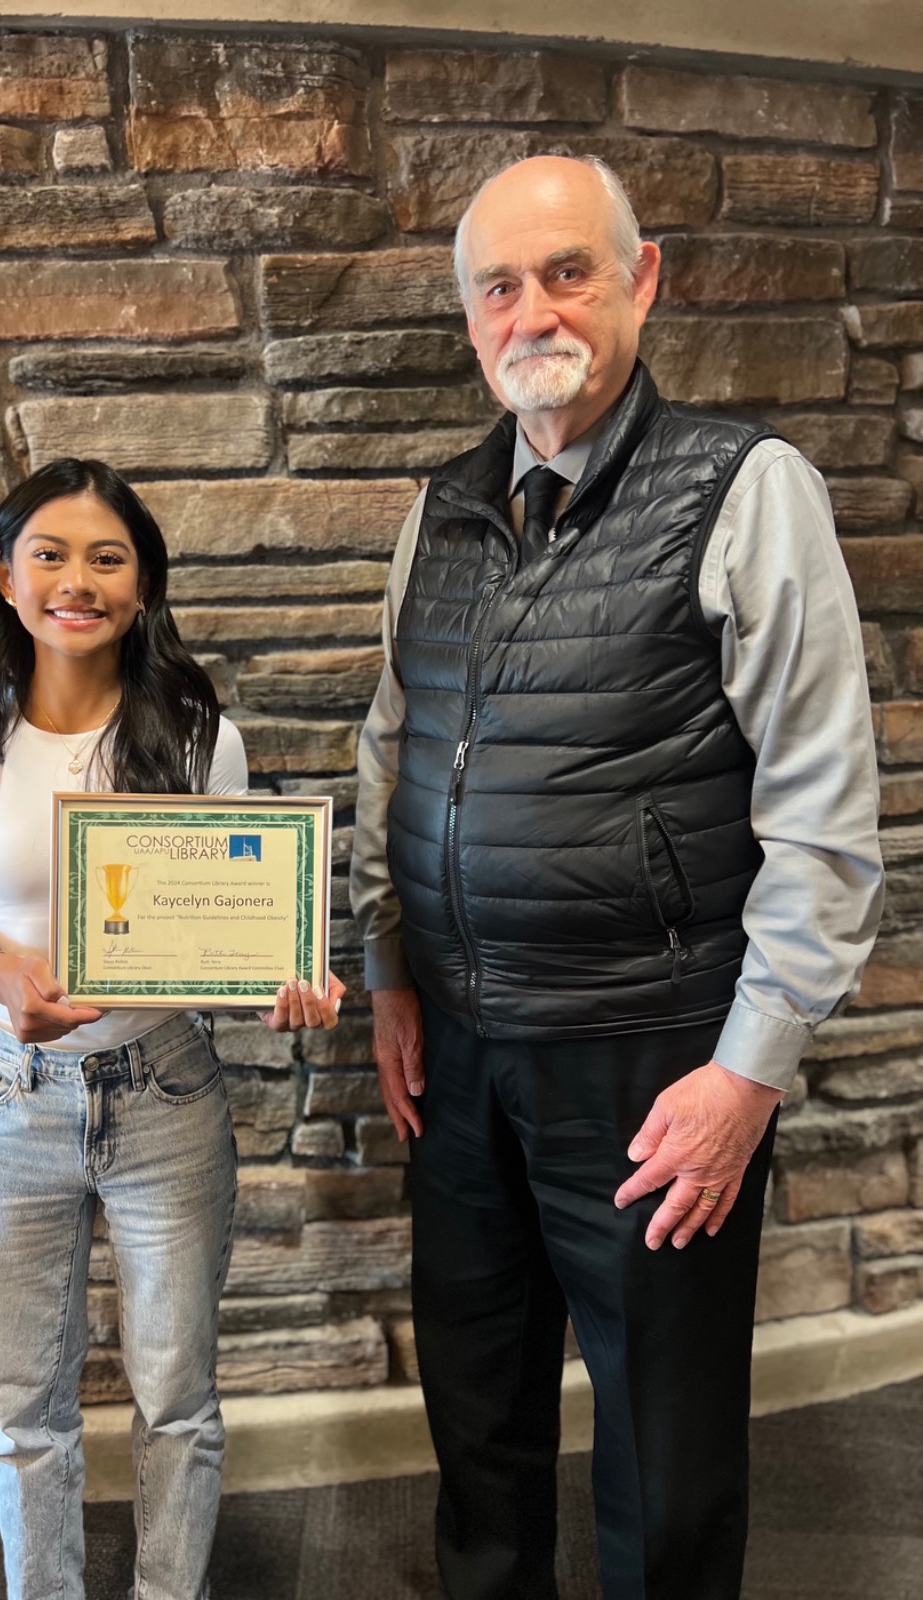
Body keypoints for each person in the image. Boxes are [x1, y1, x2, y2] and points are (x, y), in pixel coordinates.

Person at [351, 156, 884, 1600]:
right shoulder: (439, 511)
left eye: (570, 271)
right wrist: (390, 971)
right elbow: (387, 756)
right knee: (477, 1421)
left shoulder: (745, 489)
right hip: (456, 1055)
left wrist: (748, 1074)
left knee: (665, 1441)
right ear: (471, 318)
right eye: (501, 285)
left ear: (642, 281)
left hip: (652, 1065)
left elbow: (827, 817)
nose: (536, 311)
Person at [0, 457, 343, 1600]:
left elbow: (234, 946)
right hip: (13, 1097)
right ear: (7, 576)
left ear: (142, 586)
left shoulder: (200, 740)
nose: (77, 580)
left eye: (108, 557)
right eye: (50, 553)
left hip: (168, 1099)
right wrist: (2, 972)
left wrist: (281, 987)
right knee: (26, 1411)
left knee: (177, 1398)